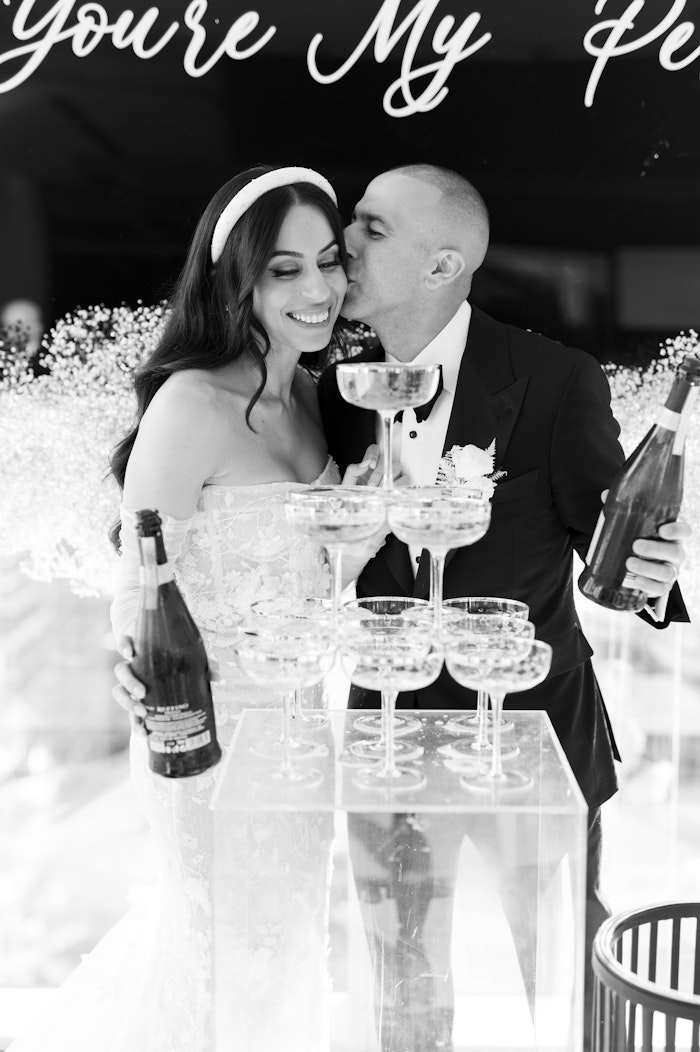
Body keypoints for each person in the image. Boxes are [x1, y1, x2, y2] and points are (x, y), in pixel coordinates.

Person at [7, 164, 384, 1052]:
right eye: (284, 270)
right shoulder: (192, 402)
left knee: (287, 953)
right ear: (235, 281)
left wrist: (360, 515)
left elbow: (311, 571)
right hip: (209, 736)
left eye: (328, 262)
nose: (319, 288)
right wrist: (134, 668)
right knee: (216, 954)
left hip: (302, 730)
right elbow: (141, 576)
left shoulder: (311, 397)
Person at [317, 163, 691, 1050]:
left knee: (561, 969)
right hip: (389, 735)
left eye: (372, 228)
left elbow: (616, 549)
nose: (345, 243)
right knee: (402, 985)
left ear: (443, 266)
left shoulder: (556, 381)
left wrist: (655, 569)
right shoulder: (328, 386)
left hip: (536, 735)